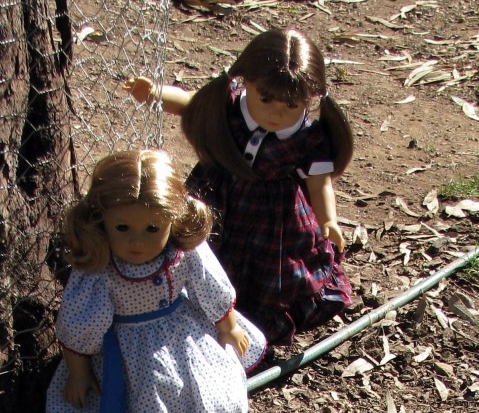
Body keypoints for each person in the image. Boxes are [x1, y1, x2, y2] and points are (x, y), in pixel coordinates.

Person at [46, 149, 266, 413]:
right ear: (101, 220)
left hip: (186, 338)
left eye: (152, 229)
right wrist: (78, 372)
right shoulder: (100, 268)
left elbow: (211, 285)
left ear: (172, 220)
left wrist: (228, 325)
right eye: (122, 228)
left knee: (214, 394)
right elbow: (81, 323)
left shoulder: (182, 252)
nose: (137, 241)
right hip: (129, 355)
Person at [127, 28, 354, 345]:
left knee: (268, 271)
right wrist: (155, 93)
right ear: (245, 81)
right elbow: (188, 103)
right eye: (266, 99)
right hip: (217, 198)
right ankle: (203, 300)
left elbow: (320, 185)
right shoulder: (229, 109)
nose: (277, 112)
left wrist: (328, 220)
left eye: (291, 105)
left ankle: (250, 318)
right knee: (204, 250)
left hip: (275, 222)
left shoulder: (307, 138)